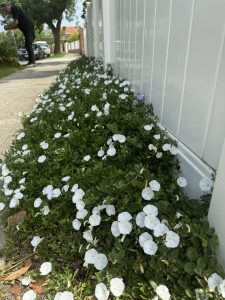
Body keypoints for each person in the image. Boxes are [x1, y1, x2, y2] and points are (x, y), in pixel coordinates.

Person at [1, 2, 36, 66]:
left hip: (29, 28)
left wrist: (7, 26)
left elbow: (16, 23)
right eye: (4, 10)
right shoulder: (14, 13)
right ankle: (31, 62)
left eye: (5, 9)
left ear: (9, 6)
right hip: (26, 30)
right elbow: (17, 25)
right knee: (27, 44)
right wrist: (8, 28)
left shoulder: (15, 9)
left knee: (28, 44)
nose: (6, 11)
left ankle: (32, 62)